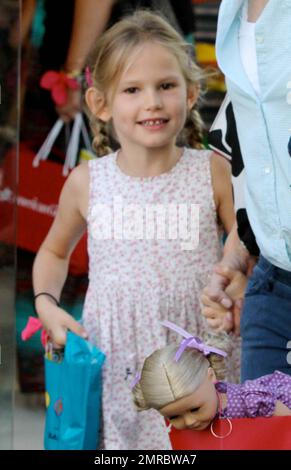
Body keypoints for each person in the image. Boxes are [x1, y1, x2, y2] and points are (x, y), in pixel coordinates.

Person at [33, 10, 238, 450]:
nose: (153, 102)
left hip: (195, 358)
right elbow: (53, 253)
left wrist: (233, 280)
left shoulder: (213, 172)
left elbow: (244, 241)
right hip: (119, 361)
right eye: (132, 90)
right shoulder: (88, 182)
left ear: (192, 92)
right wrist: (48, 306)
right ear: (100, 104)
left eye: (166, 85)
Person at [201, 0, 291, 380]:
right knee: (264, 435)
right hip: (272, 282)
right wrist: (241, 249)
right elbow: (258, 156)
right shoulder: (232, 12)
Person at [132, 321, 291, 432]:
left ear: (211, 375)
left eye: (195, 409)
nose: (189, 421)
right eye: (173, 417)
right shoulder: (199, 411)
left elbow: (285, 424)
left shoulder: (246, 402)